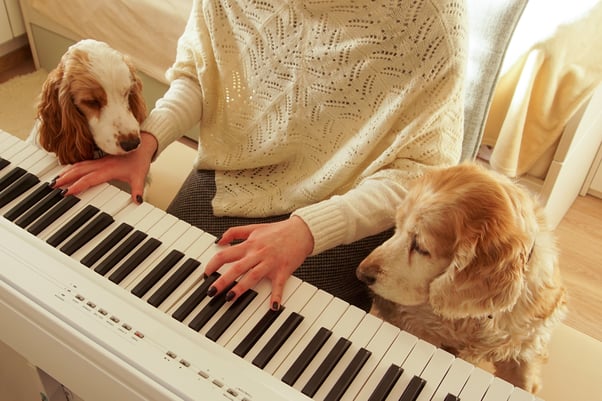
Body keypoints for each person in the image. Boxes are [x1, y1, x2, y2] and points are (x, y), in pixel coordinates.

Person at [55, 0, 467, 313]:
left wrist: (307, 230)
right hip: (233, 177)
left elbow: (420, 175)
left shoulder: (431, 19)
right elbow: (200, 77)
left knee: (258, 347)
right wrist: (149, 141)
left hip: (346, 209)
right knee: (135, 298)